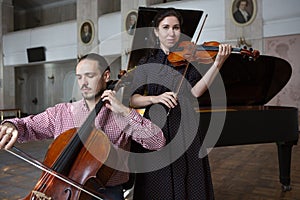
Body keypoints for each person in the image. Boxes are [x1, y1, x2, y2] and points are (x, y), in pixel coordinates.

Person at [0, 53, 166, 200]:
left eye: (89, 76)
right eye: (79, 77)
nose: (83, 83)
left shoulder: (120, 116)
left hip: (106, 193)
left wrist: (125, 111)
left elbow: (157, 141)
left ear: (106, 76)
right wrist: (10, 124)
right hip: (57, 189)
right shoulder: (62, 112)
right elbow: (28, 125)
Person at [129, 8, 232, 200]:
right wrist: (155, 99)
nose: (171, 32)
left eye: (176, 27)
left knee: (188, 177)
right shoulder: (146, 62)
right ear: (156, 31)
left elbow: (195, 92)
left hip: (184, 125)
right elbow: (132, 99)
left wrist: (218, 63)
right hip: (155, 128)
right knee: (157, 181)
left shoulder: (188, 60)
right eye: (166, 27)